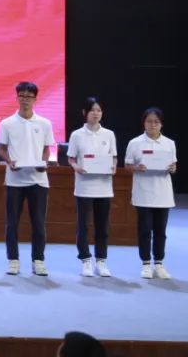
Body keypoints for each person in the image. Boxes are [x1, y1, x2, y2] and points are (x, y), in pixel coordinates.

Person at [0, 81, 56, 277]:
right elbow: (1, 149)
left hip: (38, 180)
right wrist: (9, 161)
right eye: (22, 96)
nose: (25, 100)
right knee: (12, 222)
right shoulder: (7, 123)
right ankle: (13, 260)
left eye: (29, 96)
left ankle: (38, 261)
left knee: (38, 223)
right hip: (14, 180)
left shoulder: (44, 123)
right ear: (17, 98)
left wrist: (44, 162)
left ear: (35, 99)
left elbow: (47, 149)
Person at [65, 97, 117, 277]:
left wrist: (113, 167)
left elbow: (113, 157)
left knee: (102, 226)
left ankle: (101, 260)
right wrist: (76, 167)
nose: (96, 113)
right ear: (85, 113)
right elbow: (71, 158)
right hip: (84, 187)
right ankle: (85, 260)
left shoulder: (109, 134)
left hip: (104, 187)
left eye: (99, 110)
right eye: (92, 110)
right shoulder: (77, 135)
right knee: (83, 226)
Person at [125, 106, 177, 279]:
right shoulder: (135, 143)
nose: (152, 125)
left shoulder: (169, 143)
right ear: (144, 123)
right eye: (149, 121)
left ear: (161, 124)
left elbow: (173, 166)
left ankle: (159, 263)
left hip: (163, 194)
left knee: (161, 231)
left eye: (156, 122)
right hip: (143, 193)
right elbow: (127, 166)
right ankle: (146, 264)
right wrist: (136, 167)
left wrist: (173, 168)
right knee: (145, 230)